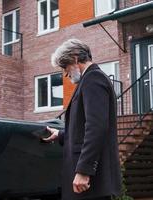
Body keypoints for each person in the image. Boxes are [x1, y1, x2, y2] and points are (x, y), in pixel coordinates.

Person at [43, 39, 121, 200]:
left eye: (65, 66)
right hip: (88, 185)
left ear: (75, 58)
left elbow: (97, 128)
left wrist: (84, 171)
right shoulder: (89, 80)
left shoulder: (93, 79)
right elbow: (84, 127)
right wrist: (61, 134)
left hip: (90, 183)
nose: (65, 73)